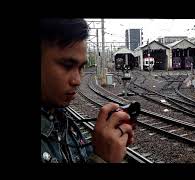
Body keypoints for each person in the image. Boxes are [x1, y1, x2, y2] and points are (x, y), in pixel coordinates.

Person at [41, 18, 134, 163]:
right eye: (67, 65)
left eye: (81, 67)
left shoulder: (60, 119)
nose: (77, 80)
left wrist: (107, 148)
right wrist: (101, 158)